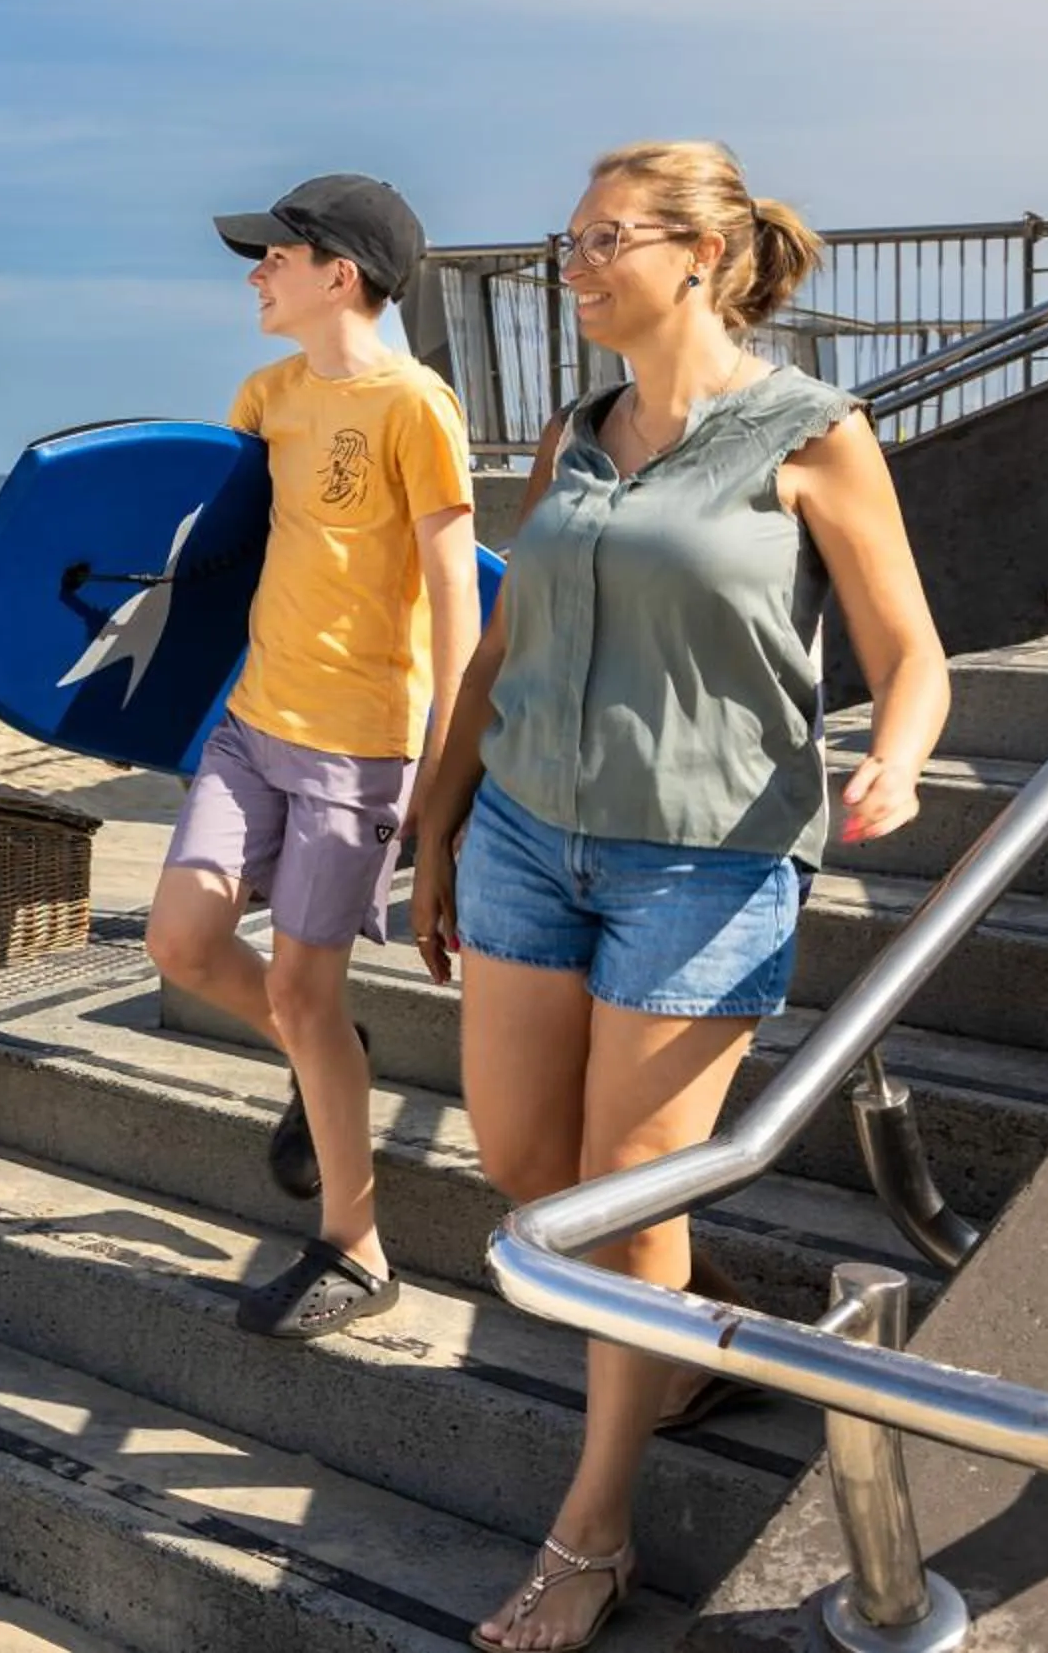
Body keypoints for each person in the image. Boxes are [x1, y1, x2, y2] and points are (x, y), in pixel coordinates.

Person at [410, 142, 947, 1650]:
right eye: (563, 242)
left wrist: (897, 758)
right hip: (526, 836)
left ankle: (592, 1529)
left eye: (597, 240)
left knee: (625, 1180)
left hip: (703, 860)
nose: (568, 266)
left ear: (698, 254)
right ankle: (695, 1339)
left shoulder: (809, 430)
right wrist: (438, 829)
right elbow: (498, 653)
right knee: (529, 1167)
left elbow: (909, 647)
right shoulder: (573, 435)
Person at [144, 174, 480, 1342]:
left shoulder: (415, 406)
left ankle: (358, 1245)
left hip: (360, 749)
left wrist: (446, 787)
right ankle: (324, 1049)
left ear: (339, 272)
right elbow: (214, 562)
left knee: (301, 986)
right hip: (253, 723)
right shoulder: (266, 394)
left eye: (274, 257)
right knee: (182, 939)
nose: (255, 274)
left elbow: (456, 601)